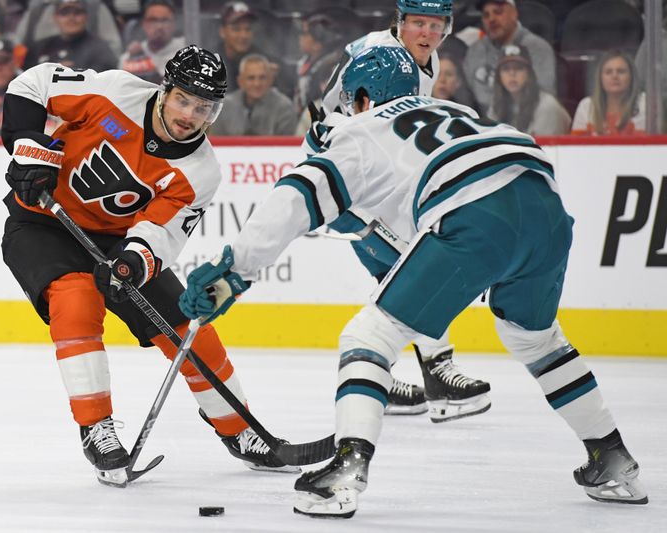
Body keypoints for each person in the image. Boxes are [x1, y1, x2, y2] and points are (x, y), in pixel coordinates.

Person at [178, 45, 649, 518]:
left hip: (474, 210)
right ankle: (611, 456)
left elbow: (295, 198)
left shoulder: (359, 131)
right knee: (538, 341)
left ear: (360, 96)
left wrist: (234, 269)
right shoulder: (453, 108)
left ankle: (346, 468)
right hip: (545, 205)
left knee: (369, 335)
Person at [0, 45, 299, 487]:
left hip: (119, 242)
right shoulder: (115, 92)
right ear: (164, 91)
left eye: (204, 107)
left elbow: (163, 231)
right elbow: (33, 84)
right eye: (183, 99)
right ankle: (96, 428)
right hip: (42, 222)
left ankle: (240, 430)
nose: (190, 114)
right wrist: (29, 150)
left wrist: (133, 262)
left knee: (185, 324)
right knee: (76, 299)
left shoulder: (201, 171)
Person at [303, 0, 491, 421]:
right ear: (400, 23)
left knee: (396, 275)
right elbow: (333, 113)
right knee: (420, 266)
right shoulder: (373, 54)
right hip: (346, 176)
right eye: (418, 24)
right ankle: (435, 372)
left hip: (376, 177)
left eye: (435, 24)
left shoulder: (430, 61)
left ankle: (374, 377)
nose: (426, 33)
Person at [463, 0, 556, 114]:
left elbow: (543, 97)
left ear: (514, 13)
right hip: (483, 124)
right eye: (486, 15)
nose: (491, 19)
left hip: (527, 122)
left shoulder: (537, 48)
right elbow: (466, 98)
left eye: (498, 12)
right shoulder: (475, 51)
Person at [488, 44, 570, 135]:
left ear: (529, 74)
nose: (512, 73)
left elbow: (541, 147)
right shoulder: (496, 106)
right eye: (505, 69)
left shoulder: (547, 106)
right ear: (499, 77)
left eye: (518, 68)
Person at [212, 53, 297, 136]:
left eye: (262, 77)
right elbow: (215, 143)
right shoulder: (224, 106)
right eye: (251, 78)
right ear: (240, 81)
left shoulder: (285, 108)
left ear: (270, 80)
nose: (257, 84)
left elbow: (286, 148)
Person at [23, 0, 117, 72]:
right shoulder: (40, 47)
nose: (71, 18)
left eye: (77, 13)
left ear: (86, 16)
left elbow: (105, 81)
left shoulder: (99, 49)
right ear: (55, 17)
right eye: (64, 13)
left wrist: (73, 72)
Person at [571, 50, 646, 136]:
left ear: (631, 77)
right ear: (600, 78)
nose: (614, 76)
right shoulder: (586, 106)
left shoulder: (645, 104)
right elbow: (577, 146)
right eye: (608, 72)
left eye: (621, 71)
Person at [119, 0, 185, 84]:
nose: (159, 26)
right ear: (144, 24)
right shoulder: (130, 58)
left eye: (165, 20)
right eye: (153, 20)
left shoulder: (187, 54)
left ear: (174, 24)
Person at [293, 12, 343, 115]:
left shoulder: (329, 68)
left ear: (317, 44)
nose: (300, 38)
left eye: (305, 34)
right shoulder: (304, 61)